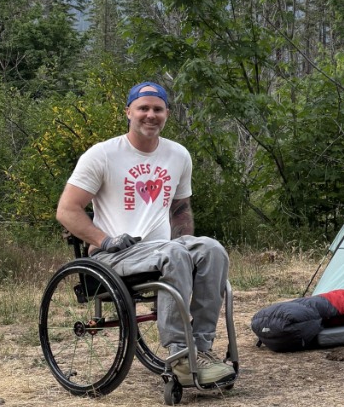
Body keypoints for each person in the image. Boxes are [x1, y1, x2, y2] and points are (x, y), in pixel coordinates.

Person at [56, 81, 234, 386]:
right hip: (114, 255)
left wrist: (188, 245)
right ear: (128, 112)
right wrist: (104, 240)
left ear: (167, 114)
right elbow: (67, 210)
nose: (150, 115)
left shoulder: (178, 155)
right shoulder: (102, 155)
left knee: (211, 249)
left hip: (162, 250)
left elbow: (180, 210)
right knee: (174, 252)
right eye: (143, 108)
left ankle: (201, 350)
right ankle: (180, 355)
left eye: (157, 109)